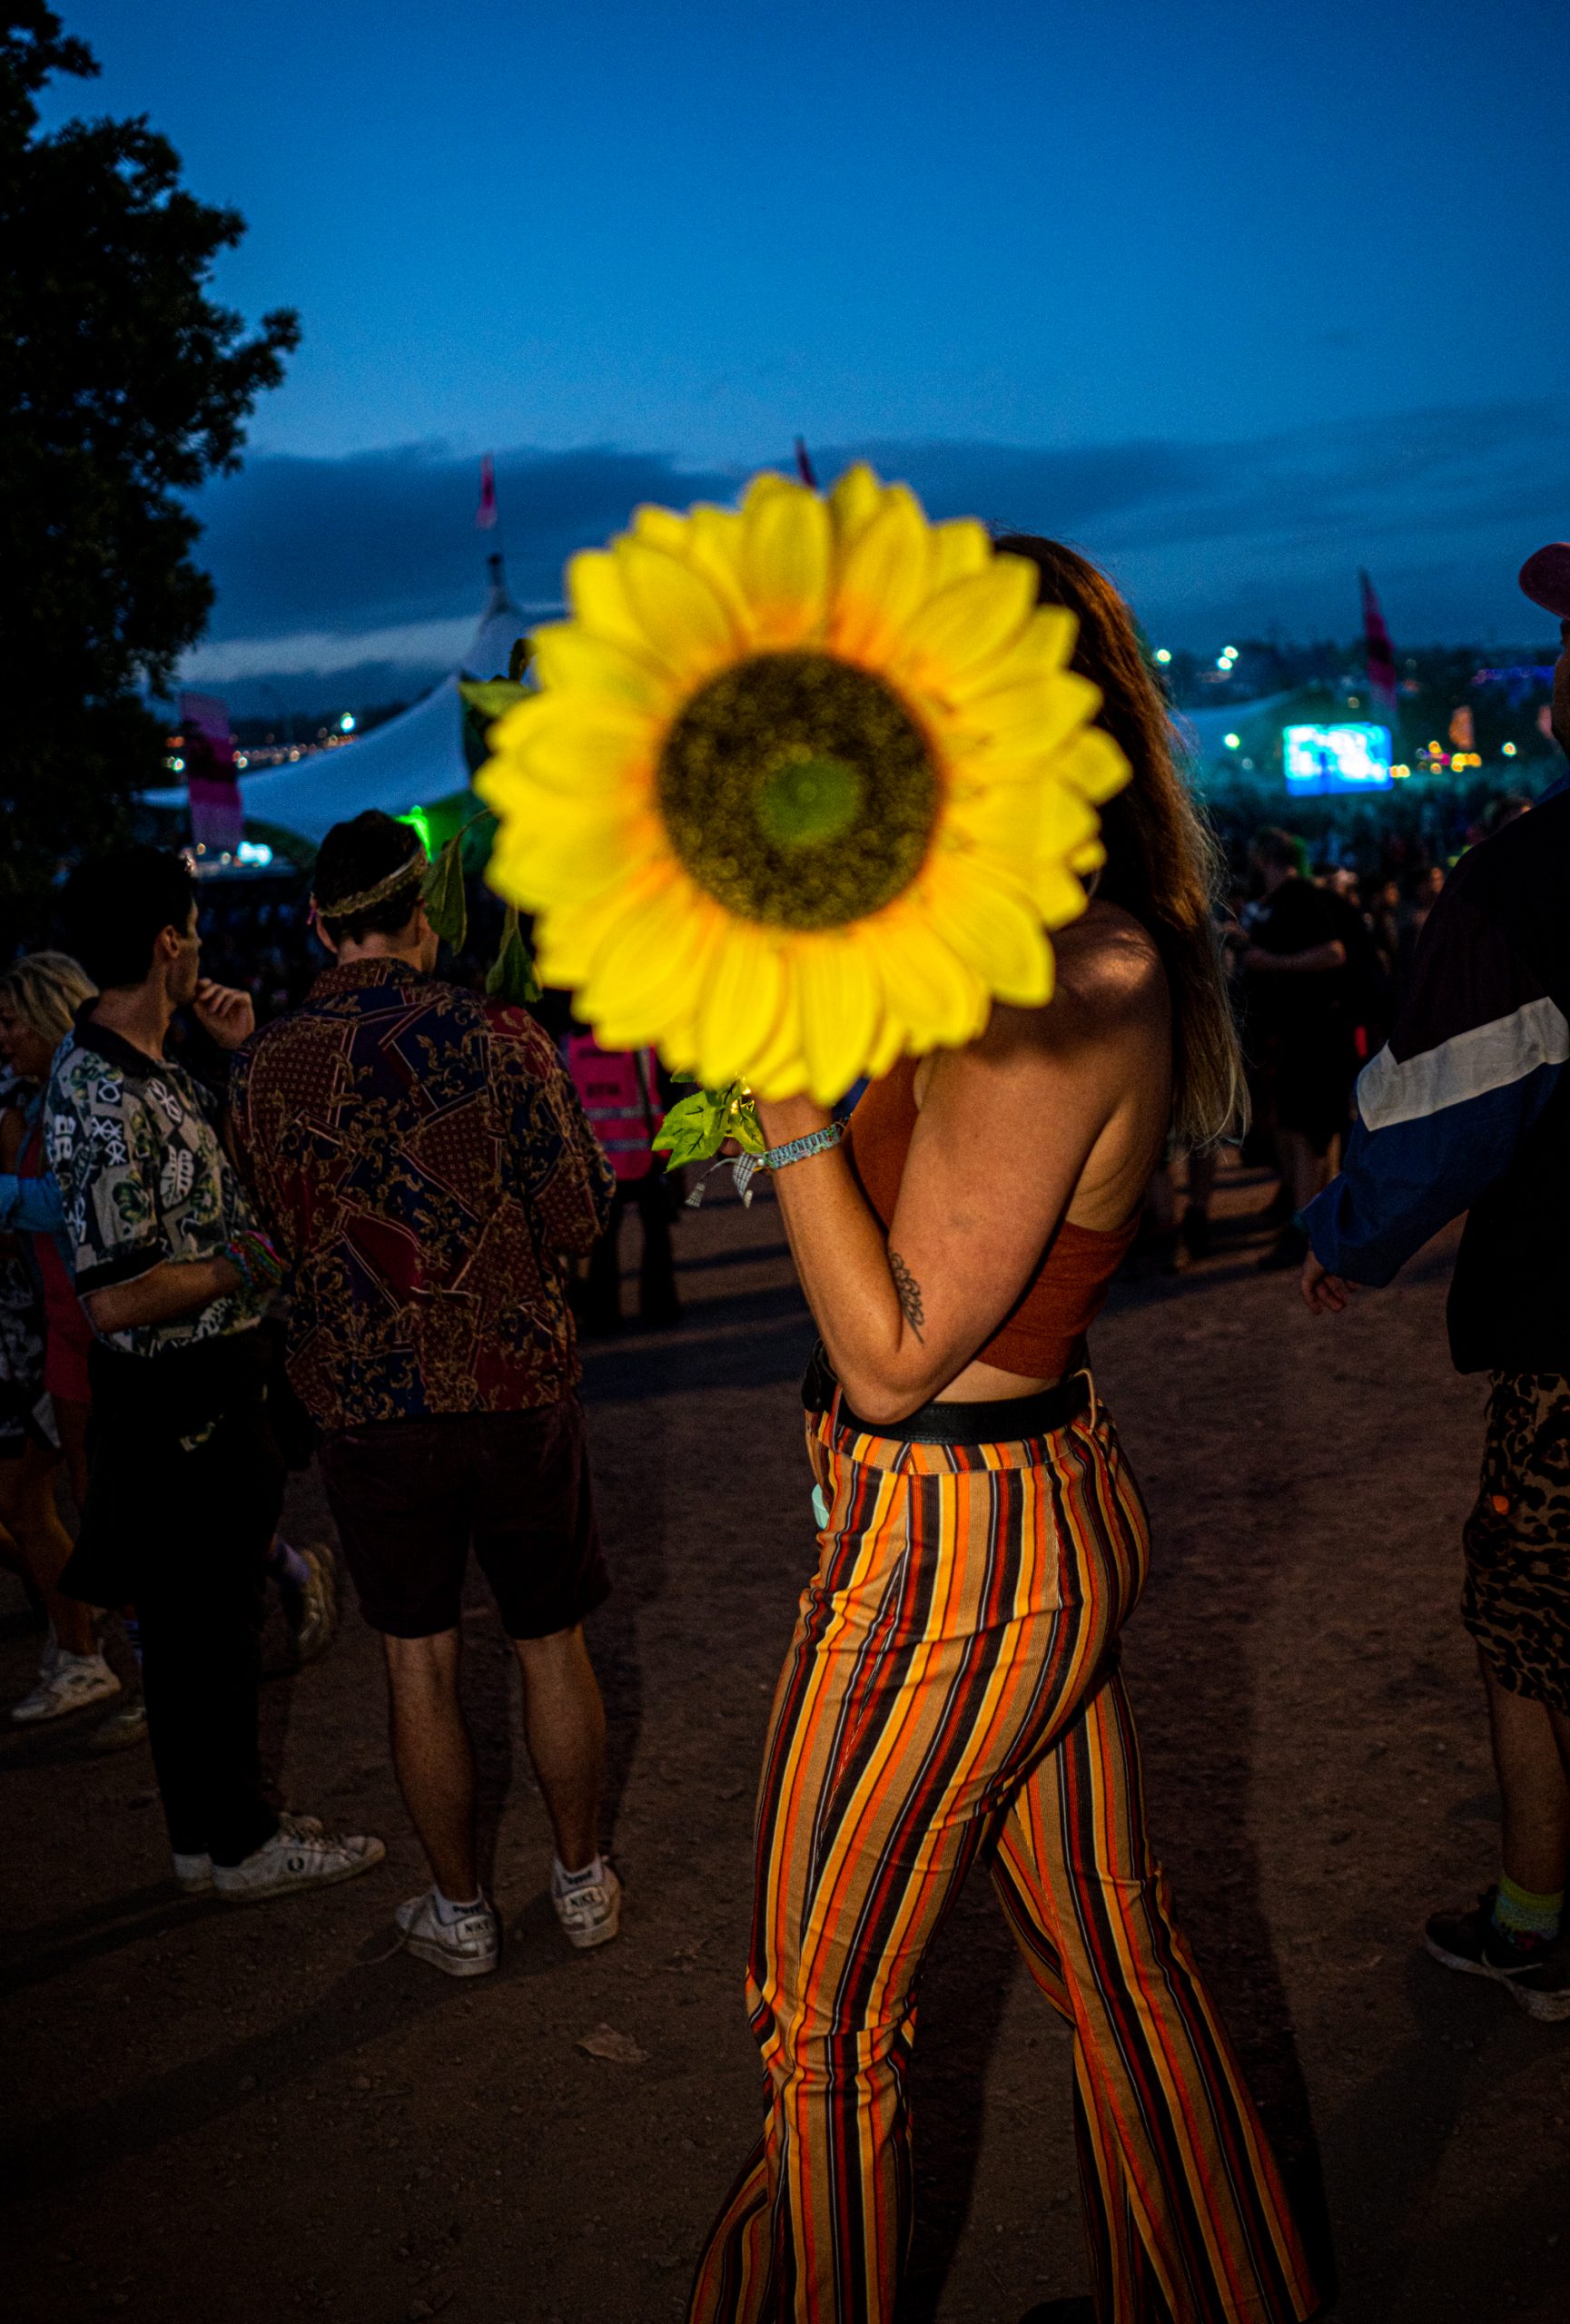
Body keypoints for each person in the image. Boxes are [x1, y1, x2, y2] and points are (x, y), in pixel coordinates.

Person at [688, 540, 1317, 2324]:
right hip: (1009, 1514)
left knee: (818, 2026)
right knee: (1114, 1950)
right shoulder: (1004, 946)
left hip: (949, 1542)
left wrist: (791, 1102)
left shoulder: (1070, 973)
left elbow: (888, 1354)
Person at [1302, 540, 1570, 2019]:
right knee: (1518, 1614)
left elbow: (1433, 1120)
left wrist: (1347, 1236)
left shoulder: (1535, 873)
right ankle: (1533, 1922)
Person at [228, 812, 618, 1978]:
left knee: (420, 1662)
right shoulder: (503, 1038)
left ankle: (461, 1912)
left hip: (369, 1408)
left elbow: (269, 1237)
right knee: (553, 1644)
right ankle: (583, 1881)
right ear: (428, 915)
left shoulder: (264, 1067)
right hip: (514, 1387)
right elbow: (579, 1216)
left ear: (318, 923)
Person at [48, 846, 383, 1903]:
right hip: (181, 1400)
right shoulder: (103, 1089)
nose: (201, 943)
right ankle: (239, 1838)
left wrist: (236, 1057)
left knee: (192, 1634)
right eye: (191, 925)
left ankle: (206, 1838)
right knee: (211, 1628)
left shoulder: (145, 1068)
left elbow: (213, 1186)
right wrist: (246, 1264)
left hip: (201, 1391)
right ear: (166, 942)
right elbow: (114, 1291)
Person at [0, 961, 120, 1720]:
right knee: (54, 1498)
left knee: (79, 1498)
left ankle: (92, 1648)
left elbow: (55, 1205)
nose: (1, 1034)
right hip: (36, 1326)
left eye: (11, 1022)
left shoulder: (39, 1101)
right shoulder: (38, 1094)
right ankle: (81, 1634)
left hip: (50, 1329)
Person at [1233, 832, 1353, 1271]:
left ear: (1262, 856)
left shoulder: (1298, 897)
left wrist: (1271, 962)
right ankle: (1311, 1222)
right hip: (1297, 1034)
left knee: (1309, 1135)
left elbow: (1333, 953)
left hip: (1313, 1034)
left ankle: (1307, 1233)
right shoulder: (1282, 900)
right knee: (1300, 1131)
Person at [566, 1031, 682, 1331]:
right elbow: (669, 1097)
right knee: (656, 1234)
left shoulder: (572, 1045)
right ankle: (659, 1307)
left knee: (604, 1240)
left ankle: (602, 1313)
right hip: (646, 1154)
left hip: (597, 1158)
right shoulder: (646, 1047)